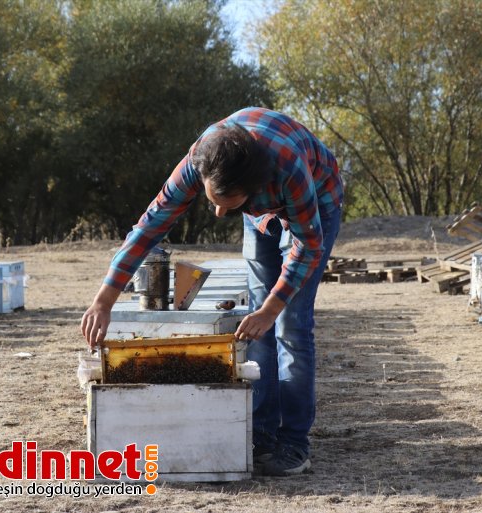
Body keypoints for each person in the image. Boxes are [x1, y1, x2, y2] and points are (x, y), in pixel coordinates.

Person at [81, 107, 342, 476]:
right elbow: (150, 225)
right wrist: (103, 299)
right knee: (255, 331)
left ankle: (294, 444)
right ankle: (262, 435)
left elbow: (307, 248)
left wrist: (271, 308)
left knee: (290, 326)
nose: (218, 213)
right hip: (259, 209)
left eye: (228, 204)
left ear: (252, 187)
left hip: (317, 203)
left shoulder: (288, 168)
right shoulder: (200, 157)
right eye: (212, 200)